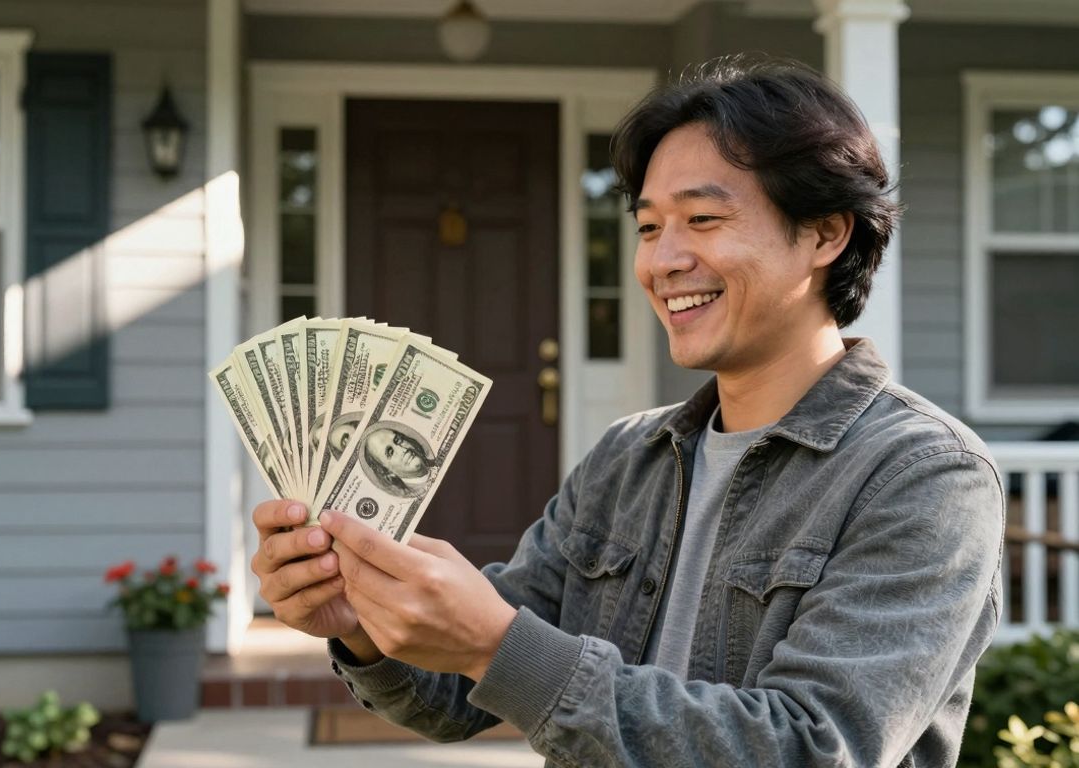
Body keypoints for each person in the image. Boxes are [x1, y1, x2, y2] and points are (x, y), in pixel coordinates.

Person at [249, 55, 1003, 768]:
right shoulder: (626, 458)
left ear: (824, 232)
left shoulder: (925, 477)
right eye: (647, 227)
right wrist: (363, 627)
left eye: (701, 219)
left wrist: (497, 645)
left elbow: (810, 747)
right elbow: (455, 695)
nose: (661, 261)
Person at [358, 422, 438, 498]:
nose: (403, 449)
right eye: (391, 452)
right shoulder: (410, 496)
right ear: (386, 472)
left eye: (398, 440)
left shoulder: (436, 462)